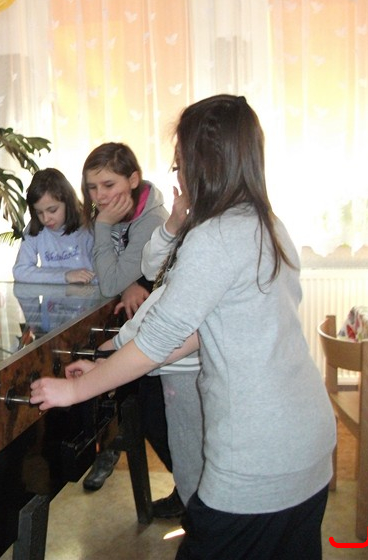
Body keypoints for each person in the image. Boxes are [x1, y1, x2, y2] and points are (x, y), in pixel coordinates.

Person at [31, 95, 336, 559]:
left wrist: (76, 390)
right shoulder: (266, 222)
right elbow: (198, 331)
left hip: (258, 453)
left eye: (180, 164)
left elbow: (158, 340)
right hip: (308, 438)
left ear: (203, 164)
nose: (178, 175)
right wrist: (107, 367)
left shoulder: (215, 237)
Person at [98, 184, 203, 517]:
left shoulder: (213, 231)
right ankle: (188, 498)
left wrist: (117, 346)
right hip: (169, 366)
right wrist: (174, 223)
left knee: (192, 447)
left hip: (186, 366)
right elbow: (153, 267)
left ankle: (196, 512)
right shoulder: (185, 221)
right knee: (181, 445)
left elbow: (166, 303)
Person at [79, 142, 174, 502]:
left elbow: (109, 281)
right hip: (135, 325)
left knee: (155, 418)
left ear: (133, 180)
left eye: (108, 185)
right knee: (138, 411)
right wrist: (127, 283)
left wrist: (103, 227)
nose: (99, 196)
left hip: (161, 335)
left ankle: (190, 495)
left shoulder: (151, 219)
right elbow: (116, 278)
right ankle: (107, 451)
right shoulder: (117, 210)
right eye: (92, 187)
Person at [12, 168, 96, 284]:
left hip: (87, 292)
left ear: (68, 203)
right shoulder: (35, 228)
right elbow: (20, 271)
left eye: (52, 210)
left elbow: (103, 275)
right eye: (39, 212)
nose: (46, 219)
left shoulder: (87, 227)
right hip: (53, 294)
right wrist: (64, 276)